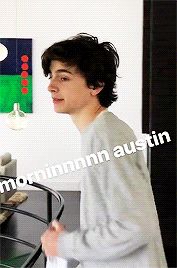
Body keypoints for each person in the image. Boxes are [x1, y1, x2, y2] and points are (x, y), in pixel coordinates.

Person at [41, 33, 167, 268]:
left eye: (64, 78)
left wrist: (64, 245)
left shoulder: (106, 136)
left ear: (96, 85)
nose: (50, 86)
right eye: (51, 77)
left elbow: (136, 227)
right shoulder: (102, 131)